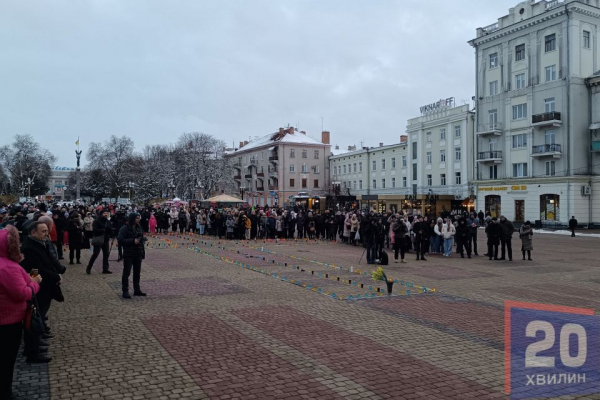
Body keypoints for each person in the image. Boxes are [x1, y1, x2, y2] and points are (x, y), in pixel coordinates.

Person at [0, 225, 41, 398]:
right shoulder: (6, 267)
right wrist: (34, 283)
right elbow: (21, 293)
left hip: (6, 318)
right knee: (6, 359)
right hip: (8, 322)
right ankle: (5, 392)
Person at [20, 222, 63, 363]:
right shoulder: (29, 247)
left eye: (47, 230)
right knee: (35, 316)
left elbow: (49, 260)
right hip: (39, 286)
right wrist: (52, 276)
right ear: (33, 232)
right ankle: (33, 350)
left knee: (40, 314)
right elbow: (35, 268)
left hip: (44, 284)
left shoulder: (40, 243)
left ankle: (37, 341)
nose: (47, 233)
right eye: (43, 231)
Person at [118, 213, 146, 299]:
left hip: (138, 253)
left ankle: (137, 289)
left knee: (137, 273)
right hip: (128, 253)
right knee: (126, 273)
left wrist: (142, 240)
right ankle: (125, 290)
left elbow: (141, 237)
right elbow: (120, 240)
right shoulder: (125, 228)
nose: (138, 220)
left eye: (139, 218)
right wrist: (132, 241)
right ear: (132, 219)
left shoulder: (139, 227)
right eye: (137, 218)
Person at [86, 210, 113, 275]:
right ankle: (89, 267)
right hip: (98, 240)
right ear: (101, 214)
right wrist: (104, 230)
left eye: (107, 213)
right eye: (104, 213)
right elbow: (95, 230)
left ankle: (105, 269)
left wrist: (111, 231)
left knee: (106, 254)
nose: (106, 214)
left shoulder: (108, 221)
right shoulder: (97, 221)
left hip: (106, 240)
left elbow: (109, 230)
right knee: (95, 254)